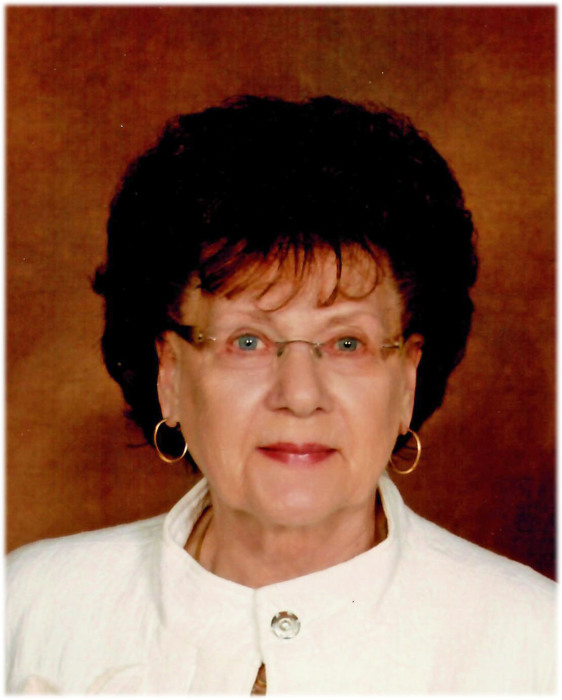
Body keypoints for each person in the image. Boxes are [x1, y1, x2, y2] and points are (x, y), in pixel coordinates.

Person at [6, 96, 554, 694]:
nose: (299, 395)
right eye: (248, 341)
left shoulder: (534, 641)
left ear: (406, 382)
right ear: (170, 374)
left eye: (347, 343)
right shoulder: (30, 609)